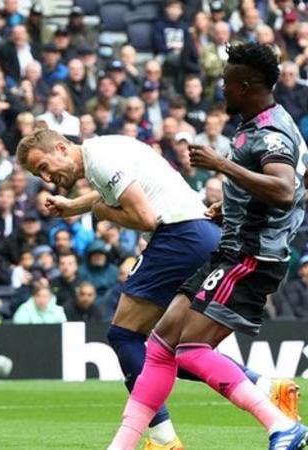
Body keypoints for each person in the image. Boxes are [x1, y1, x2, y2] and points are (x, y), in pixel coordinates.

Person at [17, 115, 298, 448]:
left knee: (125, 336)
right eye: (40, 176)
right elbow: (115, 194)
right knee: (174, 350)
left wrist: (102, 213)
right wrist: (75, 206)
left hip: (178, 236)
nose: (48, 178)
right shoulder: (102, 151)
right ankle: (267, 388)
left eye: (45, 167)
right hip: (196, 233)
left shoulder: (101, 160)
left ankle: (163, 438)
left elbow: (143, 216)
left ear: (62, 147)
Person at [107, 42, 308, 450]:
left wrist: (221, 165)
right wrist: (231, 206)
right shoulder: (264, 121)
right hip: (234, 245)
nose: (221, 89)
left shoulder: (269, 132)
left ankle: (280, 425)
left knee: (191, 349)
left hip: (252, 256)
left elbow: (285, 189)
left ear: (246, 85)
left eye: (227, 82)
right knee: (162, 345)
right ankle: (123, 445)